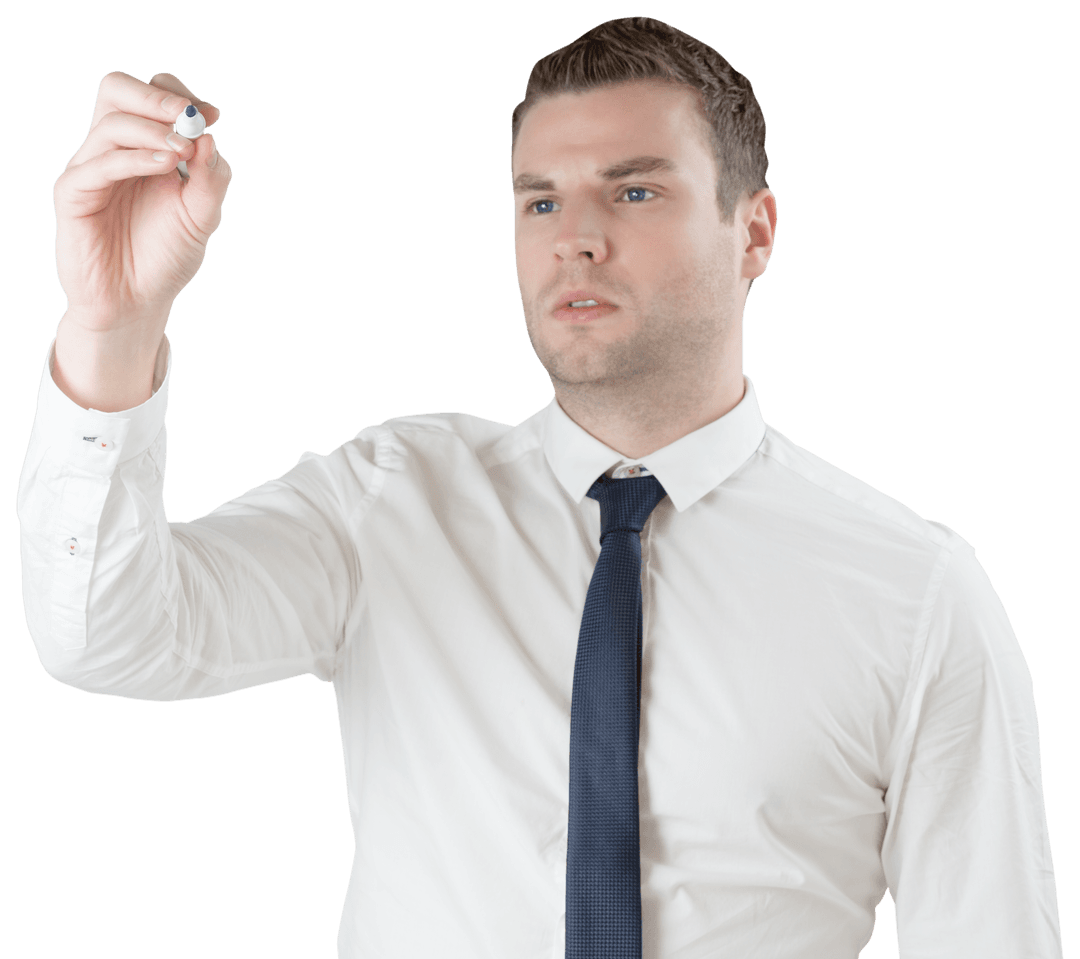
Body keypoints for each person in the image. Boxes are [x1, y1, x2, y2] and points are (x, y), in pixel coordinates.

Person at [16, 16, 1062, 959]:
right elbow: (106, 630)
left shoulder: (917, 594)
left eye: (635, 189)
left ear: (754, 231)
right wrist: (113, 322)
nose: (576, 237)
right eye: (541, 199)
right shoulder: (392, 502)